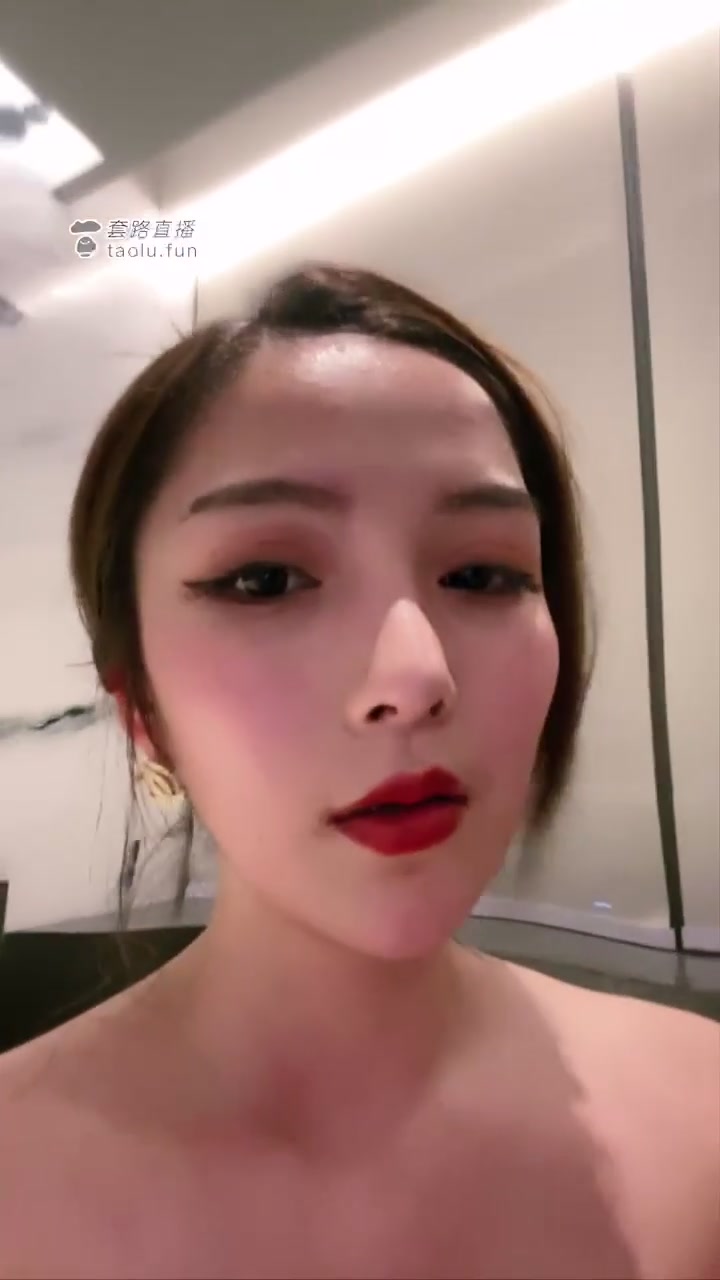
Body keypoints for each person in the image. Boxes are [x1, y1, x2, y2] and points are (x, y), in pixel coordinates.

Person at [0, 263, 717, 1280]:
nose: (415, 678)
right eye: (266, 580)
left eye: (482, 573)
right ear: (140, 704)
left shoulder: (702, 1122)